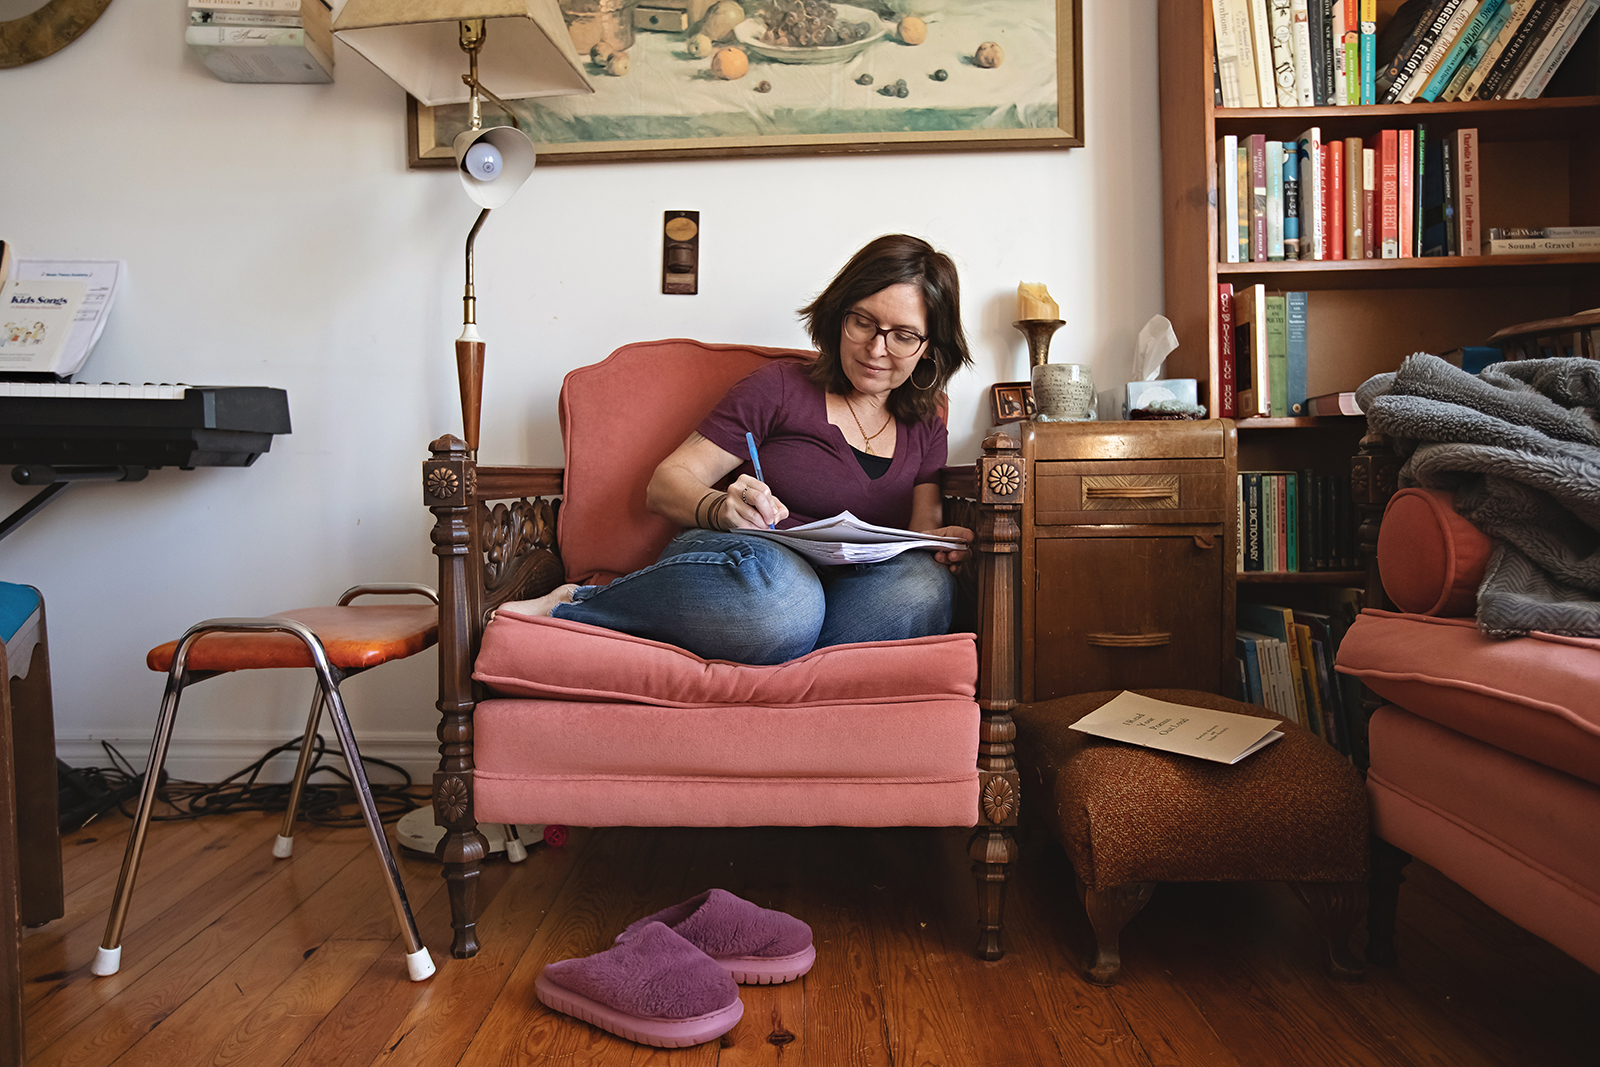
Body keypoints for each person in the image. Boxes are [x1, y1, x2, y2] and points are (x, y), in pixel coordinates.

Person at [500, 234, 976, 664]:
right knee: (784, 600)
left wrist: (946, 548)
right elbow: (665, 484)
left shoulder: (926, 421)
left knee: (926, 586)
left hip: (844, 593)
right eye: (864, 323)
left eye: (903, 335)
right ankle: (577, 604)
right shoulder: (780, 388)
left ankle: (780, 651)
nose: (876, 348)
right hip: (749, 566)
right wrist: (721, 508)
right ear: (838, 317)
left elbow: (921, 534)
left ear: (930, 347)